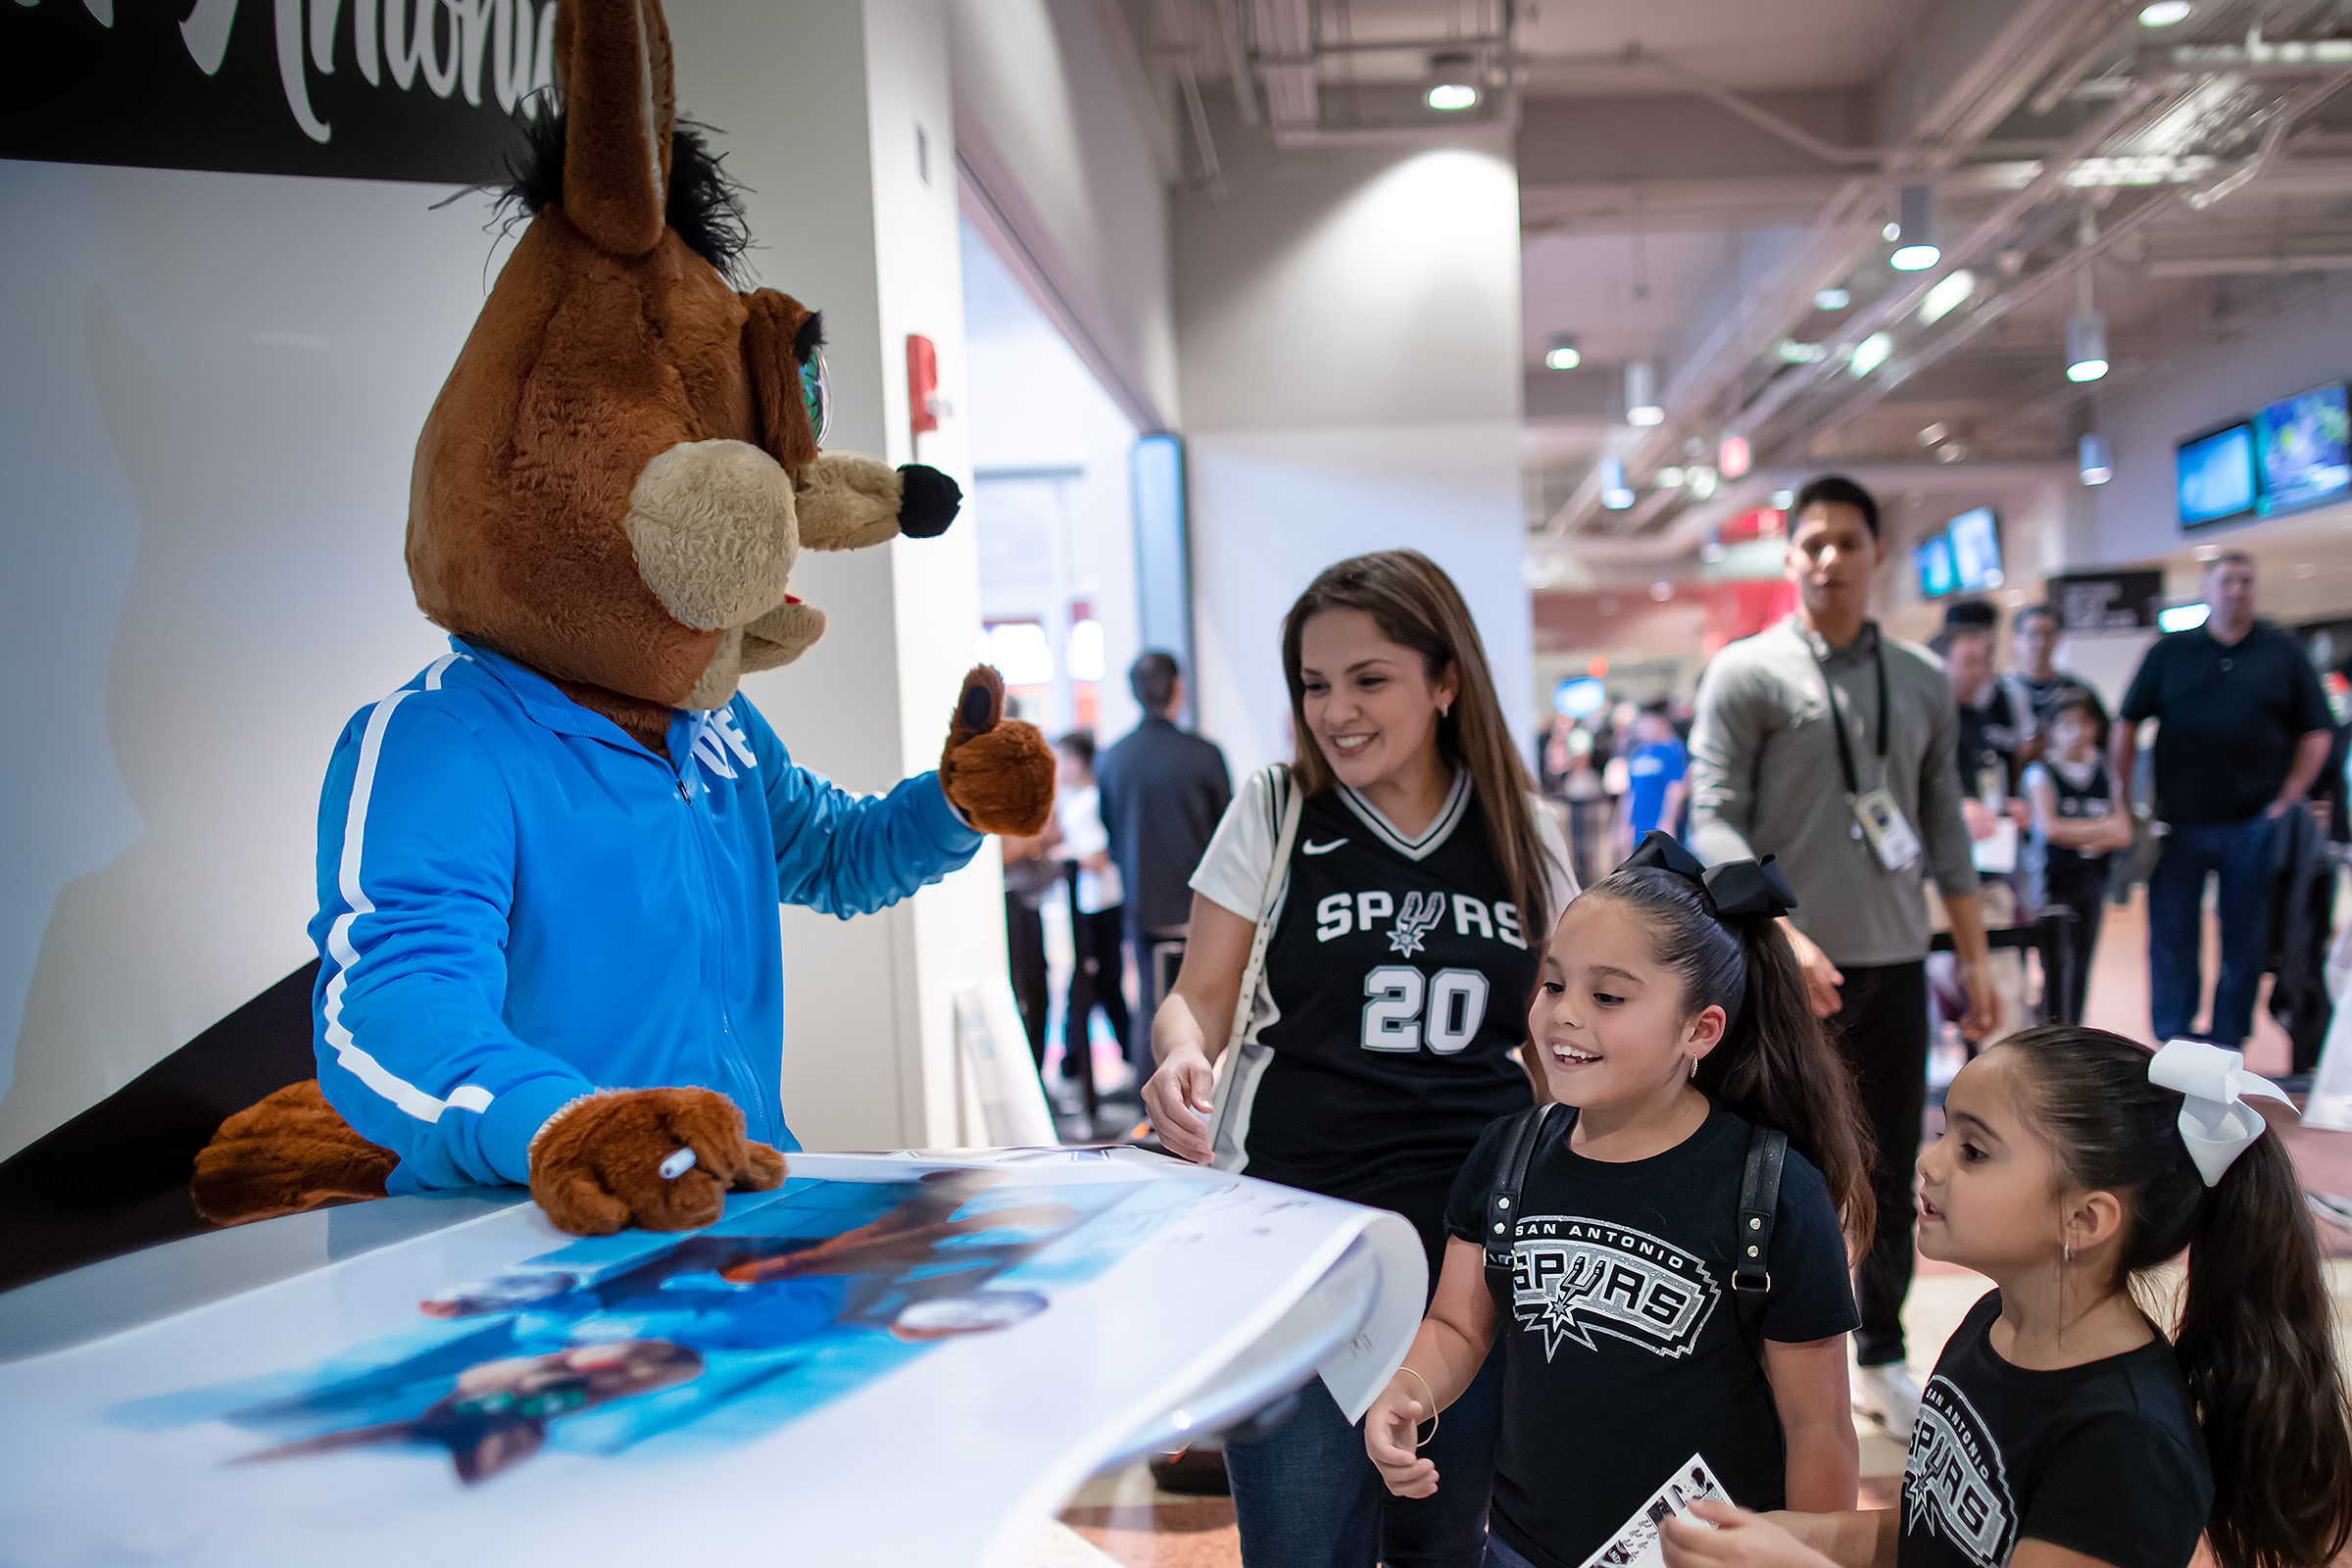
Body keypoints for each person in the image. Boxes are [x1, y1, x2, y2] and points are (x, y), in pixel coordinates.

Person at [1144, 549, 1577, 1568]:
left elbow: (1559, 1042)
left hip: (1474, 1257)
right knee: (1300, 1546)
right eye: (1314, 683)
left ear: (1445, 680)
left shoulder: (1524, 829)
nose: (1335, 711)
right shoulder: (1276, 807)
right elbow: (1198, 997)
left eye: (1369, 679)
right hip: (1299, 1243)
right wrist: (1178, 1056)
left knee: (1445, 1542)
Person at [1656, 1026, 2352, 1568]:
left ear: (2085, 1219)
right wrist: (1798, 1535)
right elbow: (1938, 1537)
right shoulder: (1995, 1323)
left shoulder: (2126, 1443)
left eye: (1975, 1151)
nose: (1928, 1162)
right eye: (1943, 1132)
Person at [1363, 834, 1874, 1568]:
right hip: (1520, 1550)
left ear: (1699, 1030)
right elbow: (1457, 1326)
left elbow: (1817, 1426)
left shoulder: (1771, 1192)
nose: (1564, 1015)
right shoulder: (1508, 1156)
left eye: (1607, 996)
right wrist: (1406, 1391)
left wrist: (1805, 1558)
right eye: (1553, 984)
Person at [1688, 473, 1997, 1445]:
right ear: (1790, 556)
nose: (1829, 560)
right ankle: (1750, 1354)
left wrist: (1975, 956)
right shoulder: (1748, 672)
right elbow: (1711, 817)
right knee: (1769, 1168)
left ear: (1877, 554)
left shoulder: (1921, 678)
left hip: (1895, 961)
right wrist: (1778, 931)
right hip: (1778, 973)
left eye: (1847, 542)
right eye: (1812, 543)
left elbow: (1943, 822)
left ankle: (1882, 1349)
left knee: (1894, 1164)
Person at [2114, 552, 2333, 1048]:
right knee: (2171, 938)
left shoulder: (2281, 651)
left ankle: (2229, 1040)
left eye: (2246, 581)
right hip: (2177, 823)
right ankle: (2174, 1038)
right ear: (2206, 589)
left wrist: (2290, 795)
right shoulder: (2170, 652)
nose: (2237, 590)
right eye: (2228, 581)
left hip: (2253, 822)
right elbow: (2126, 724)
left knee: (2246, 939)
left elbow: (2318, 731)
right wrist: (2122, 799)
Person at [1097, 651, 1233, 1081]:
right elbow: (1227, 835)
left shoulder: (1113, 758)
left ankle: (1149, 1099)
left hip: (1142, 902)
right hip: (1203, 903)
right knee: (1206, 1001)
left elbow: (1111, 832)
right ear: (1178, 687)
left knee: (1149, 1004)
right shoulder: (1204, 754)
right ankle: (1202, 1094)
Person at [2023, 694, 2131, 1024]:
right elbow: (2050, 828)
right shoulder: (2041, 773)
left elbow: (2124, 832)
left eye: (2085, 723)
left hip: (2093, 881)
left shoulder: (2105, 771)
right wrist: (2100, 829)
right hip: (2053, 883)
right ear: (2052, 730)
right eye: (2068, 724)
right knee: (2056, 963)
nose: (2078, 732)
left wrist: (2078, 833)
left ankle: (2074, 1031)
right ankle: (2052, 1031)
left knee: (2083, 961)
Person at [1052, 732, 1132, 1090]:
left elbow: (1099, 858)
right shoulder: (1077, 801)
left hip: (1101, 906)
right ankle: (1076, 1066)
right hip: (1088, 904)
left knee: (1100, 985)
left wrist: (1064, 858)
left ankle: (1101, 1063)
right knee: (1091, 987)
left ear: (1074, 762)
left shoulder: (1092, 801)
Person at [2006, 603, 2097, 762]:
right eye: (2032, 634)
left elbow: (2101, 743)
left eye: (2048, 635)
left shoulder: (2078, 692)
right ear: (2016, 640)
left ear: (2058, 639)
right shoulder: (2003, 693)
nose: (2040, 643)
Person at [1615, 700, 1690, 858]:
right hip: (1637, 830)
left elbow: (1675, 789)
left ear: (1659, 722)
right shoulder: (1638, 753)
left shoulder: (1672, 750)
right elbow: (1630, 793)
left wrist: (1668, 822)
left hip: (1659, 828)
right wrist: (1623, 826)